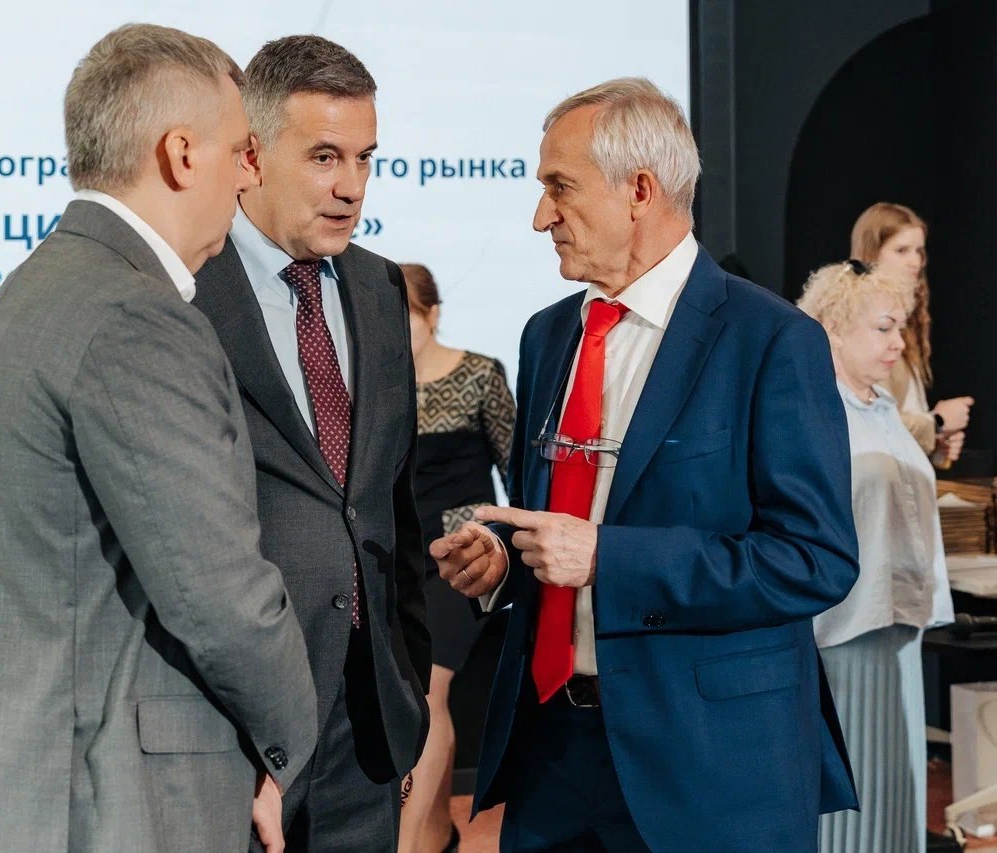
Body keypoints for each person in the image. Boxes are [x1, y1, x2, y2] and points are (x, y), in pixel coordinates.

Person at [431, 77, 860, 851]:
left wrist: (609, 557)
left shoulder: (770, 340)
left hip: (710, 769)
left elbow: (814, 559)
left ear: (639, 190)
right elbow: (557, 523)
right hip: (553, 758)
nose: (540, 217)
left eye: (560, 187)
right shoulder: (547, 335)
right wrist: (505, 560)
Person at [0, 24, 316, 853]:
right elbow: (222, 596)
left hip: (37, 795)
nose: (250, 176)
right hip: (110, 809)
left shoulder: (36, 289)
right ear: (181, 154)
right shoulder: (135, 317)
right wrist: (292, 745)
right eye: (241, 151)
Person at [192, 35, 429, 852]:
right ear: (252, 156)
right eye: (325, 157)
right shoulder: (184, 288)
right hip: (235, 735)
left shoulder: (380, 285)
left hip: (368, 729)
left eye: (365, 159)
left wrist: (405, 694)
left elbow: (392, 508)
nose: (351, 187)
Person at [798, 260, 956, 853]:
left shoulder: (884, 408)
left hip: (899, 624)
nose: (898, 344)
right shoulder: (816, 411)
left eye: (901, 329)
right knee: (852, 789)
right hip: (844, 627)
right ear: (835, 329)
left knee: (899, 786)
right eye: (884, 329)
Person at [396, 263, 515, 853]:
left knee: (427, 695)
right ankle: (437, 832)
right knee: (408, 696)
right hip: (397, 561)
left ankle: (410, 846)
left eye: (407, 319)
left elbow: (517, 470)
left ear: (433, 314)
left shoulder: (479, 374)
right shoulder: (378, 386)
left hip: (460, 561)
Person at [850, 202, 973, 463]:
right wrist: (936, 422)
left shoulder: (905, 321)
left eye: (919, 251)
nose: (915, 261)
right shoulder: (859, 318)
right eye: (901, 250)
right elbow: (865, 417)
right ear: (871, 253)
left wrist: (934, 446)